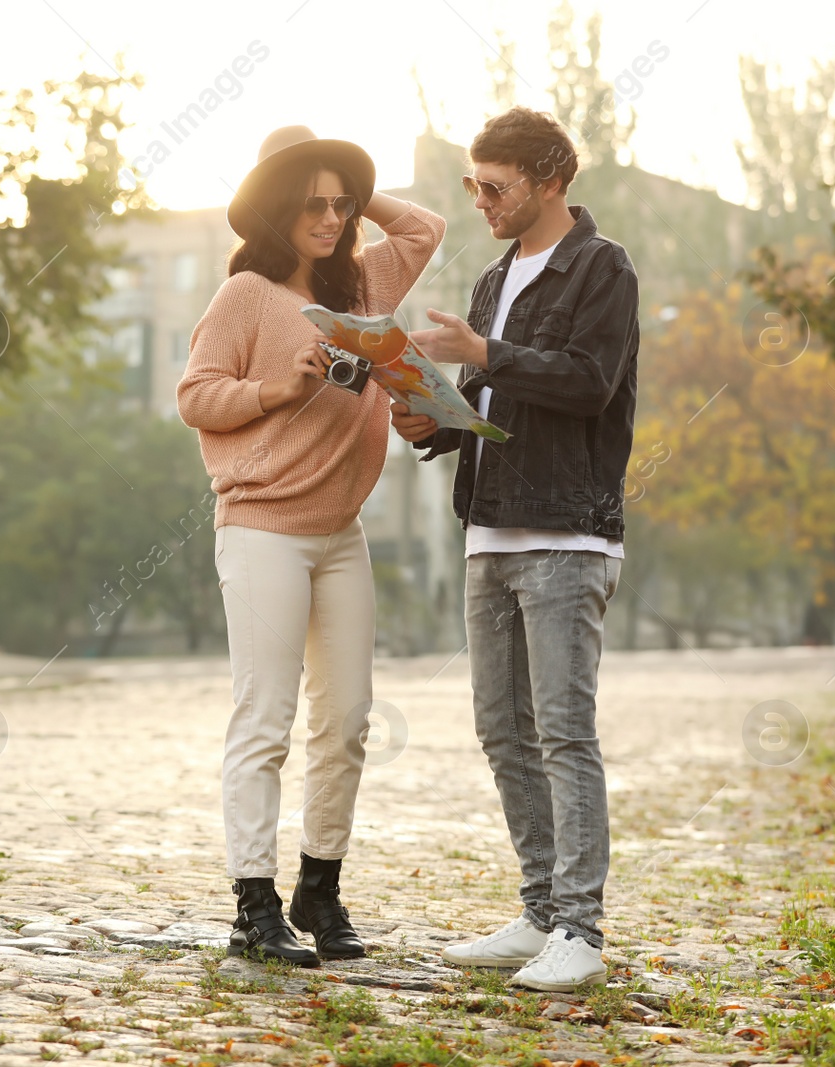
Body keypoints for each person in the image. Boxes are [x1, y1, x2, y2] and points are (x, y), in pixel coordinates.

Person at [177, 126, 446, 967]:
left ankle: (319, 891)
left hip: (341, 533)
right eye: (314, 203)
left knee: (350, 719)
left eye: (342, 203)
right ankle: (252, 907)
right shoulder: (247, 296)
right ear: (279, 209)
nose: (331, 218)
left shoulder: (365, 283)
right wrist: (274, 388)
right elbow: (196, 395)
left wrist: (356, 185)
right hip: (262, 527)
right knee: (266, 718)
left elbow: (424, 229)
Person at [392, 107, 639, 992]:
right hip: (489, 529)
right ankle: (538, 911)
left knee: (564, 732)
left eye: (494, 186)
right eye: (473, 185)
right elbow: (488, 409)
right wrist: (432, 417)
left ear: (547, 180)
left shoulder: (602, 268)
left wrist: (485, 353)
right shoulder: (494, 278)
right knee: (503, 730)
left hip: (568, 533)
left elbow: (586, 382)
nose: (481, 200)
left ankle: (580, 926)